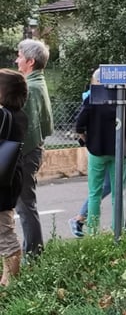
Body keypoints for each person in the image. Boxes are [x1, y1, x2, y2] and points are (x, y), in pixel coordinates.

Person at [69, 77, 126, 237]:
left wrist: (88, 141)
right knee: (118, 194)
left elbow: (79, 126)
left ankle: (93, 232)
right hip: (119, 152)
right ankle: (118, 230)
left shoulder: (91, 100)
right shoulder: (122, 101)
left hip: (97, 152)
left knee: (94, 193)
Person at [14, 39, 53, 258]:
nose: (16, 60)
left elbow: (21, 127)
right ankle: (32, 252)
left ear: (30, 61)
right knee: (25, 204)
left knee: (25, 205)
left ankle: (33, 255)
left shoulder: (30, 87)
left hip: (25, 154)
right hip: (32, 151)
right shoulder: (38, 83)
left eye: (19, 56)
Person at [0, 69, 28, 285]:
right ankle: (6, 278)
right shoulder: (19, 115)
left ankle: (11, 283)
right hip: (9, 177)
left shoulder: (3, 115)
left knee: (4, 232)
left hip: (3, 181)